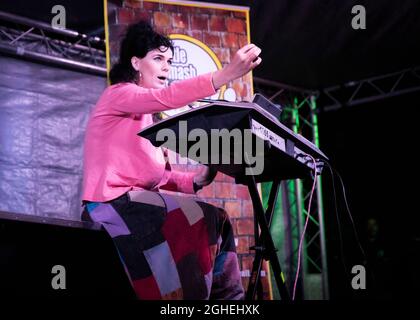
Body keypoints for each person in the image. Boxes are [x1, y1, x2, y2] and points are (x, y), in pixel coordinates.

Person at [81, 21, 262, 300]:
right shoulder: (118, 94)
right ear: (136, 63)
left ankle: (227, 301)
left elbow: (161, 179)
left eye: (169, 61)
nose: (166, 66)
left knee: (217, 218)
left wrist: (200, 178)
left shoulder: (145, 117)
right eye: (157, 58)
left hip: (138, 202)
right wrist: (227, 74)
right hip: (110, 204)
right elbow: (167, 98)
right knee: (198, 218)